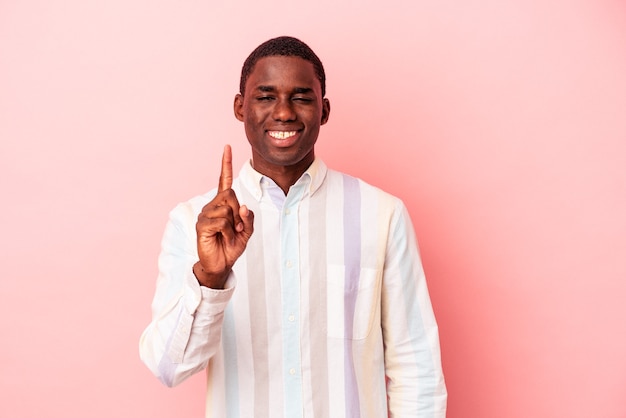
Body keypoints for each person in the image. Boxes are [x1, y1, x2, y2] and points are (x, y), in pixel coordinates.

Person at [140, 35, 447, 417]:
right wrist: (209, 276)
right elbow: (168, 368)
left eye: (301, 97)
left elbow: (416, 365)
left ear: (324, 110)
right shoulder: (193, 222)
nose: (283, 112)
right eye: (266, 97)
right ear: (240, 107)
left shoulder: (382, 214)